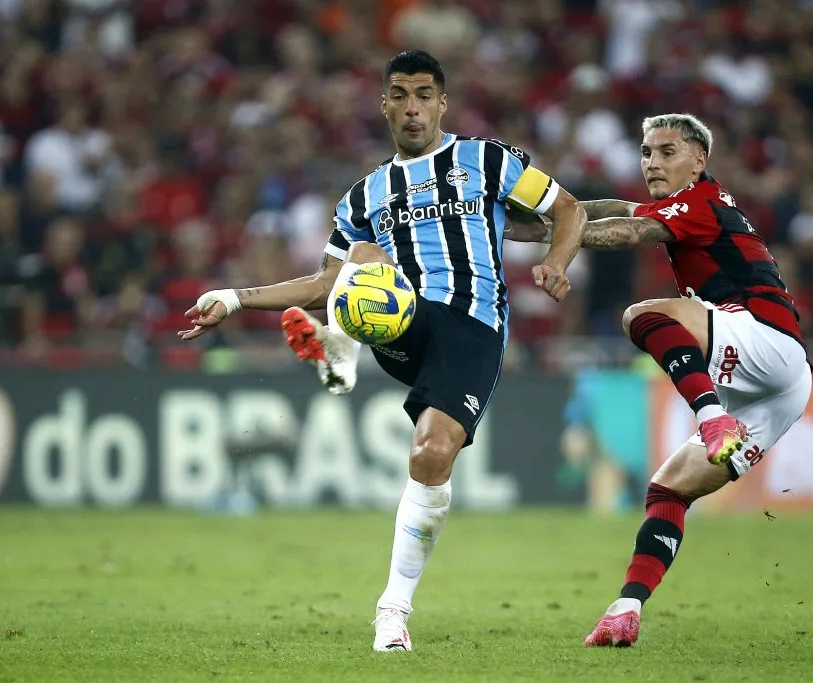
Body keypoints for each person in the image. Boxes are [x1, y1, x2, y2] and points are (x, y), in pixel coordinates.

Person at [178, 50, 586, 652]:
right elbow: (324, 282)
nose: (413, 106)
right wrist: (235, 299)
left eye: (424, 94)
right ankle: (339, 346)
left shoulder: (488, 160)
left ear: (442, 103)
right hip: (403, 320)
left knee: (431, 453)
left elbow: (568, 209)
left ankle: (395, 602)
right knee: (362, 259)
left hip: (472, 328)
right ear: (385, 104)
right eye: (401, 94)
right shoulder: (365, 195)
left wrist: (555, 261)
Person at [509, 113, 812, 647]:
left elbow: (629, 230)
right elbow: (598, 211)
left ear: (699, 159)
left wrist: (562, 246)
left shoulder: (701, 201)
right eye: (646, 152)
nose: (652, 162)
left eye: (667, 151)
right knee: (668, 490)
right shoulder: (686, 204)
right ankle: (624, 611)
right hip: (784, 386)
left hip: (767, 338)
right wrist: (523, 225)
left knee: (644, 316)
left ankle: (712, 416)